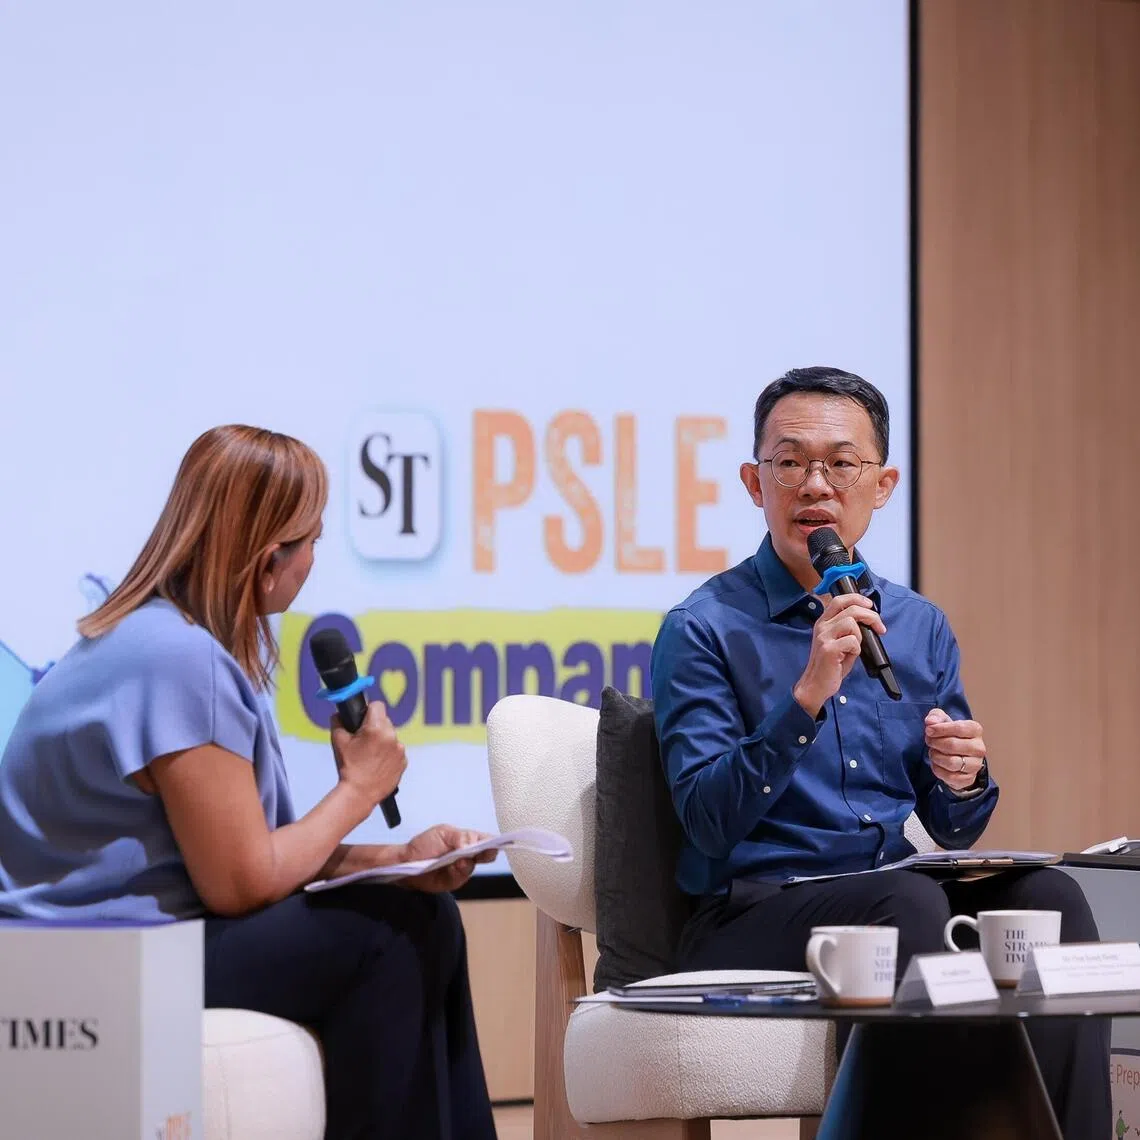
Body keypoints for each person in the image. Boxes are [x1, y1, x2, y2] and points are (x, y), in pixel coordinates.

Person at [0, 425, 498, 1140]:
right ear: (269, 562)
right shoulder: (178, 661)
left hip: (104, 946)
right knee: (393, 936)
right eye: (312, 540)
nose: (314, 561)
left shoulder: (153, 640)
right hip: (86, 964)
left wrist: (398, 860)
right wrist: (360, 788)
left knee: (424, 911)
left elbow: (251, 853)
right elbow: (241, 884)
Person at [650, 367, 1109, 1139]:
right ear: (754, 483)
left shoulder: (918, 625)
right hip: (754, 909)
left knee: (1050, 900)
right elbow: (705, 821)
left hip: (894, 892)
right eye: (789, 462)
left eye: (840, 463)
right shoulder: (702, 628)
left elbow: (951, 826)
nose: (814, 485)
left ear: (883, 484)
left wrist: (962, 779)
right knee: (906, 907)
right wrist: (805, 699)